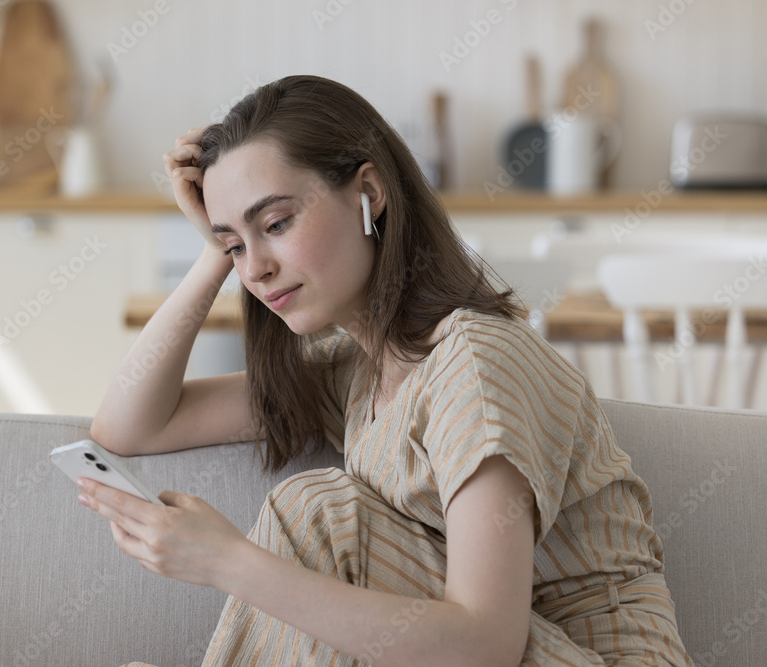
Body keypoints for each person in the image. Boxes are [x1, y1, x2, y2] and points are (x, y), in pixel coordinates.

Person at [79, 74, 694, 666]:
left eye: (276, 223)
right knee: (319, 515)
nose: (255, 269)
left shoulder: (476, 365)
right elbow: (131, 427)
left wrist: (227, 562)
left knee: (319, 513)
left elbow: (485, 648)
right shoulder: (358, 371)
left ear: (369, 194)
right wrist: (217, 250)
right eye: (237, 246)